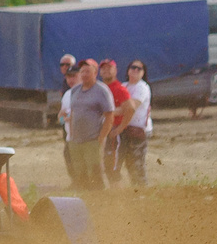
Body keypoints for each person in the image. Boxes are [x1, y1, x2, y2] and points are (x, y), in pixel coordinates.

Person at [59, 61, 112, 189]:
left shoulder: (101, 90)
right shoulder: (75, 91)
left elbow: (109, 116)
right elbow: (72, 114)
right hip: (76, 141)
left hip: (92, 139)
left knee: (95, 174)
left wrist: (102, 138)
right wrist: (71, 136)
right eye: (82, 71)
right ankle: (84, 201)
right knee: (79, 175)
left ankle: (100, 202)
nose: (84, 74)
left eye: (88, 71)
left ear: (95, 72)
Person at [113, 58, 153, 187]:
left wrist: (108, 112)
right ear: (128, 70)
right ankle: (135, 191)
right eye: (133, 68)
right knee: (126, 163)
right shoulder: (124, 86)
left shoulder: (142, 87)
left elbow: (131, 107)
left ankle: (142, 192)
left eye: (139, 69)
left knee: (136, 164)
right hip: (124, 129)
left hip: (138, 130)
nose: (135, 70)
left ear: (143, 73)